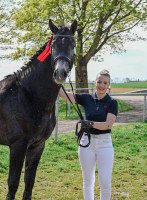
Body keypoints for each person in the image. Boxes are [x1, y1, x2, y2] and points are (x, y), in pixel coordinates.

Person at [59, 69, 118, 200]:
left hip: (105, 144)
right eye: (99, 81)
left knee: (105, 181)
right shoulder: (87, 98)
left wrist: (90, 124)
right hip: (87, 142)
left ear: (108, 86)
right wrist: (56, 80)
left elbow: (108, 124)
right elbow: (66, 95)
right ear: (94, 83)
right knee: (87, 181)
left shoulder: (112, 102)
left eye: (105, 82)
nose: (101, 85)